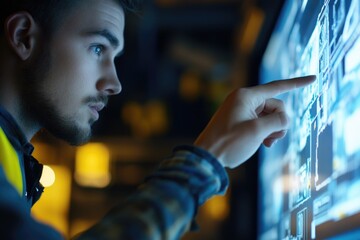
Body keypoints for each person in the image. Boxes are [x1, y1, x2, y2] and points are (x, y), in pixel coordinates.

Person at [0, 0, 316, 239]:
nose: (114, 83)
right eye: (97, 48)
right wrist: (209, 157)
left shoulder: (13, 158)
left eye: (115, 57)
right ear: (23, 36)